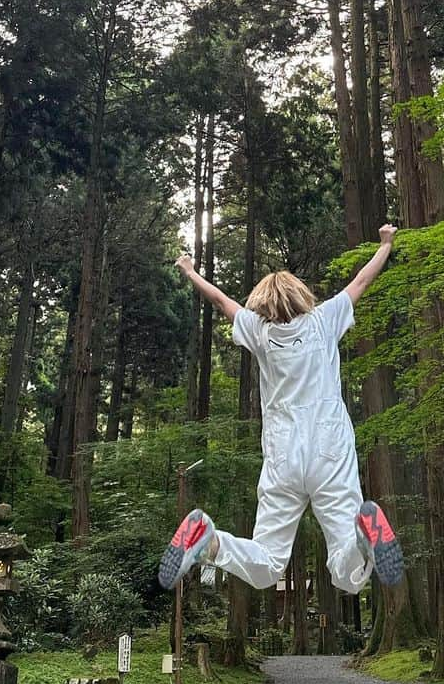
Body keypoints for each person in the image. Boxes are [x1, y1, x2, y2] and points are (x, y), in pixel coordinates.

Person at [158, 225, 404, 595]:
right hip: (329, 449)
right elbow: (361, 282)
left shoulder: (259, 331)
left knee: (269, 563)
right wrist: (385, 245)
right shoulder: (324, 320)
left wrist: (191, 271)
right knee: (347, 572)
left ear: (264, 301)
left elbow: (222, 301)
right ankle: (360, 541)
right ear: (302, 295)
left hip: (282, 455)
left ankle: (211, 542)